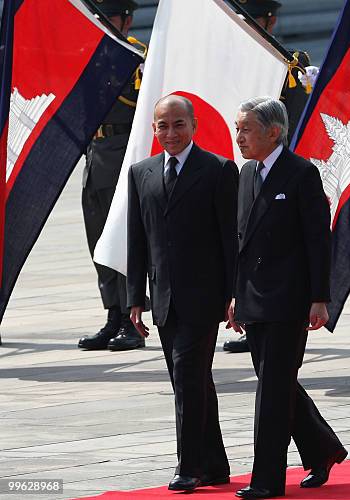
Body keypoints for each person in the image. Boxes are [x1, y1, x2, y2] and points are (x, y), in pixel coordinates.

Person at [228, 97, 347, 499]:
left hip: (290, 299)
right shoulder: (246, 173)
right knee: (276, 382)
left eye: (246, 128)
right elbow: (240, 241)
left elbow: (318, 241)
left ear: (273, 132)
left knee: (273, 391)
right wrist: (235, 295)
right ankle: (322, 448)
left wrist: (319, 297)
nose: (239, 136)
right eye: (238, 127)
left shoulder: (301, 174)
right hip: (254, 298)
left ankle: (267, 480)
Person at [127, 95, 238, 491]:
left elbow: (230, 238)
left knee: (189, 376)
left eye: (178, 124)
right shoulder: (140, 172)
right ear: (154, 130)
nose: (170, 133)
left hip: (204, 296)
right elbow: (137, 239)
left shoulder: (219, 169)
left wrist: (233, 292)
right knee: (190, 380)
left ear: (193, 126)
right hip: (163, 297)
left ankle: (188, 466)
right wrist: (134, 297)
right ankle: (216, 464)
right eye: (162, 126)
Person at [223, 0, 313, 354]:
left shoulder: (289, 66)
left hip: (281, 170)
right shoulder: (232, 61)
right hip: (250, 167)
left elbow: (294, 120)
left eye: (254, 20)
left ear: (270, 20)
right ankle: (252, 313)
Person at [78, 0, 147, 352]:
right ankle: (112, 314)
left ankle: (131, 321)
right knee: (98, 242)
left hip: (121, 151)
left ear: (127, 20)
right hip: (95, 154)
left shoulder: (133, 57)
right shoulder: (88, 53)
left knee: (121, 241)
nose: (103, 23)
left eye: (109, 17)